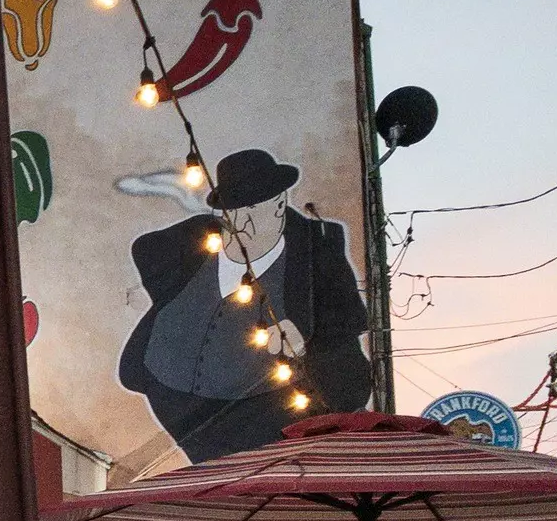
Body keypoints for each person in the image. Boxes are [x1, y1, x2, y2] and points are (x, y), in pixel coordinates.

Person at [118, 148, 371, 463]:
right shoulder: (189, 249)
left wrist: (306, 350)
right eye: (233, 211)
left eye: (252, 208)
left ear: (280, 204)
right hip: (174, 408)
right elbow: (145, 252)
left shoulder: (314, 267)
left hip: (258, 434)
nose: (242, 224)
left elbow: (351, 380)